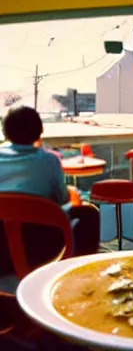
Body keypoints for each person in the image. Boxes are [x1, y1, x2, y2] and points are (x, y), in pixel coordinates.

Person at [0, 106, 101, 273]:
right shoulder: (48, 161)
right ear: (40, 131)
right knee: (88, 214)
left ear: (5, 132)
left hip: (1, 251)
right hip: (40, 250)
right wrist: (72, 192)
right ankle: (79, 273)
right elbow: (61, 199)